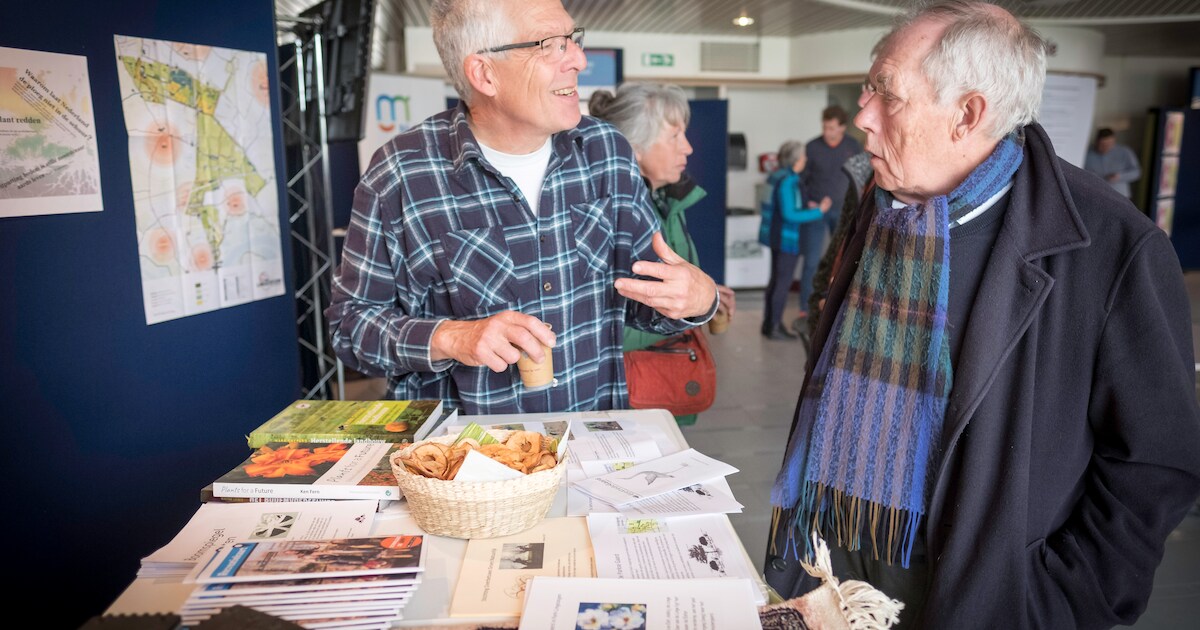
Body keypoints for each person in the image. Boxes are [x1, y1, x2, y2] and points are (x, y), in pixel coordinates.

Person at [764, 2, 1200, 629]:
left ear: (967, 115)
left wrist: (1057, 601)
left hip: (984, 596)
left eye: (886, 95)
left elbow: (1154, 463)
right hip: (833, 562)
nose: (863, 115)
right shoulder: (884, 206)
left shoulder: (1112, 248)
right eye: (867, 89)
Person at [325, 0, 719, 415]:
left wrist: (697, 298)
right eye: (549, 44)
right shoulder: (403, 173)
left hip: (590, 447)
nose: (579, 60)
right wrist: (452, 338)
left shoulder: (606, 151)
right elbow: (349, 327)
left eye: (573, 39)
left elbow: (646, 300)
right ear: (484, 74)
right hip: (463, 461)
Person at [588, 82, 737, 426]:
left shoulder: (667, 201)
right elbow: (602, 324)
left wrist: (705, 294)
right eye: (674, 136)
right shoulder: (609, 212)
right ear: (633, 146)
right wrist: (690, 313)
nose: (688, 148)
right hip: (624, 399)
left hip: (658, 392)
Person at [792, 106, 862, 332]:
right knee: (812, 260)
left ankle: (837, 307)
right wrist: (807, 203)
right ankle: (805, 307)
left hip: (844, 213)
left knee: (842, 259)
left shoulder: (853, 147)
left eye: (832, 127)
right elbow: (800, 180)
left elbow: (861, 180)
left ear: (842, 127)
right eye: (824, 126)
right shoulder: (812, 147)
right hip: (816, 212)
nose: (827, 131)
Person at [759, 140, 829, 340]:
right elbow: (790, 215)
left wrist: (807, 205)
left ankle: (768, 324)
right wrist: (818, 211)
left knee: (775, 281)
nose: (806, 158)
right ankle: (774, 326)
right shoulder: (789, 181)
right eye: (804, 155)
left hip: (774, 236)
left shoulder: (776, 176)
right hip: (786, 239)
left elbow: (788, 206)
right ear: (797, 160)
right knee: (782, 283)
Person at [1084, 127, 1141, 198]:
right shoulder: (1086, 152)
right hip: (1093, 194)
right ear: (1096, 141)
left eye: (1109, 144)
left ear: (1114, 141)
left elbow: (1136, 172)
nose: (1106, 147)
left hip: (1119, 196)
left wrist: (1120, 176)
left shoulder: (1125, 152)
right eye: (1102, 144)